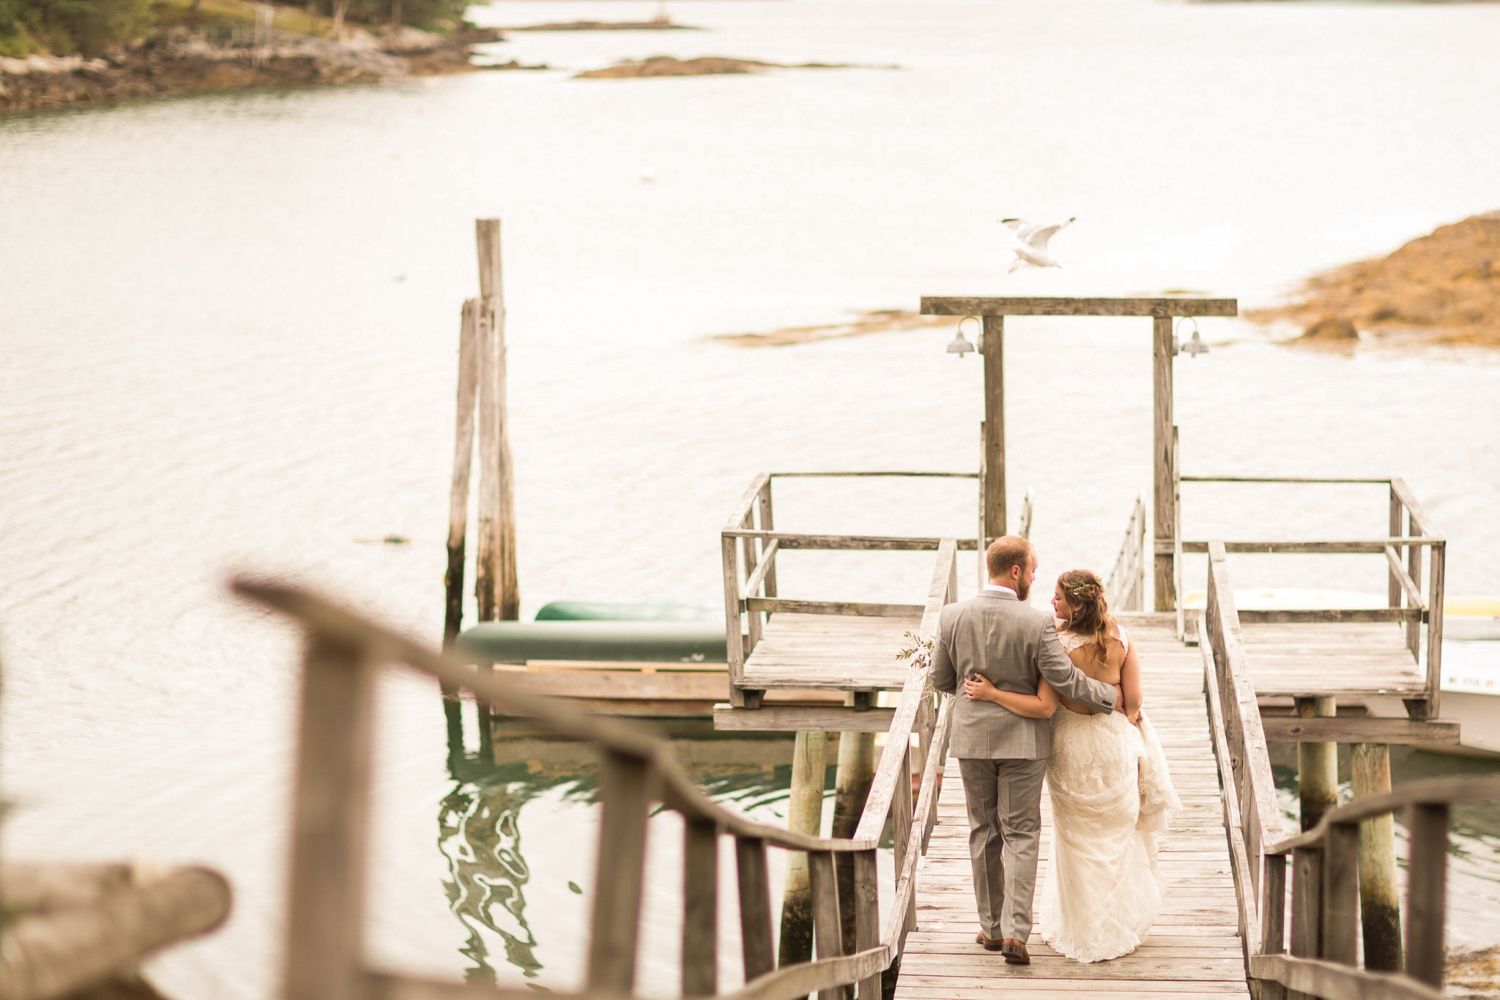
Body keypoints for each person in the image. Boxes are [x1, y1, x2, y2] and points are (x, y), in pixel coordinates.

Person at [965, 568, 1181, 963]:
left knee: (1075, 841)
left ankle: (1082, 927)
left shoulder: (1058, 645)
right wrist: (1111, 694)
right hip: (1113, 748)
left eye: (1059, 597)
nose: (1051, 602)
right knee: (1114, 838)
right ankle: (1116, 923)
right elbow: (1133, 705)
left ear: (1077, 605)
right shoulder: (1123, 639)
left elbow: (1047, 704)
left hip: (1070, 751)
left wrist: (994, 692)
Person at [929, 536, 1121, 966]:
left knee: (983, 830)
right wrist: (1109, 695)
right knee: (1020, 833)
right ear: (1015, 571)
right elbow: (1066, 679)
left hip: (973, 739)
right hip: (1024, 741)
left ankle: (991, 929)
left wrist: (979, 688)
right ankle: (1017, 932)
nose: (1035, 578)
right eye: (1033, 571)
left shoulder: (951, 616)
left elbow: (942, 680)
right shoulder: (1036, 624)